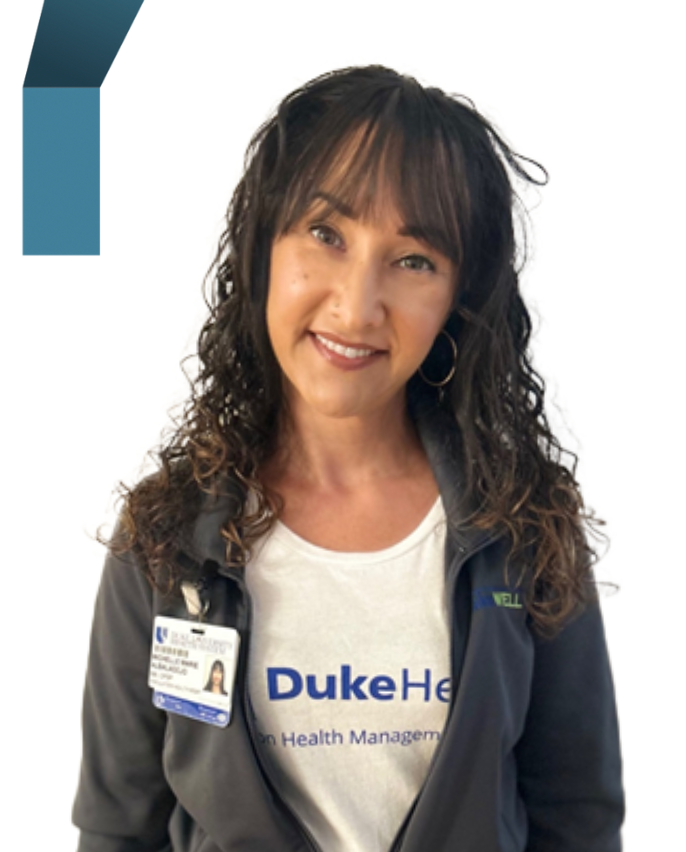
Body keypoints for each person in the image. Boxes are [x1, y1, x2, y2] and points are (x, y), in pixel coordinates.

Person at [73, 65, 623, 852]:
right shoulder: (167, 534)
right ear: (264, 246)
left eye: (414, 261)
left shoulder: (525, 526)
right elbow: (118, 828)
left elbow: (578, 820)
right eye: (326, 236)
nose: (356, 305)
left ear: (460, 300)